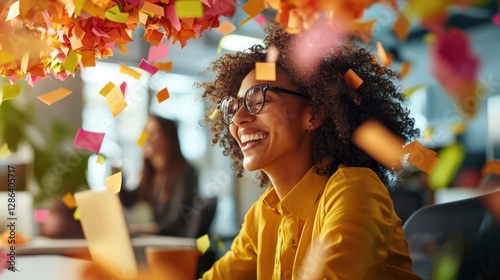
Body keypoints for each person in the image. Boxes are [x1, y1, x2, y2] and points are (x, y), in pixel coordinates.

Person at [198, 22, 421, 279]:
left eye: (259, 100)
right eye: (234, 106)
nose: (237, 119)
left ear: (313, 114)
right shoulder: (263, 214)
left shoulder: (355, 189)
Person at [120, 115, 199, 237]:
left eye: (151, 133)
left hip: (175, 243)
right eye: (144, 133)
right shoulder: (152, 173)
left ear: (168, 139)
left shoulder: (185, 172)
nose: (144, 138)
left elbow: (176, 222)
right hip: (159, 239)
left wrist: (139, 229)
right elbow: (132, 200)